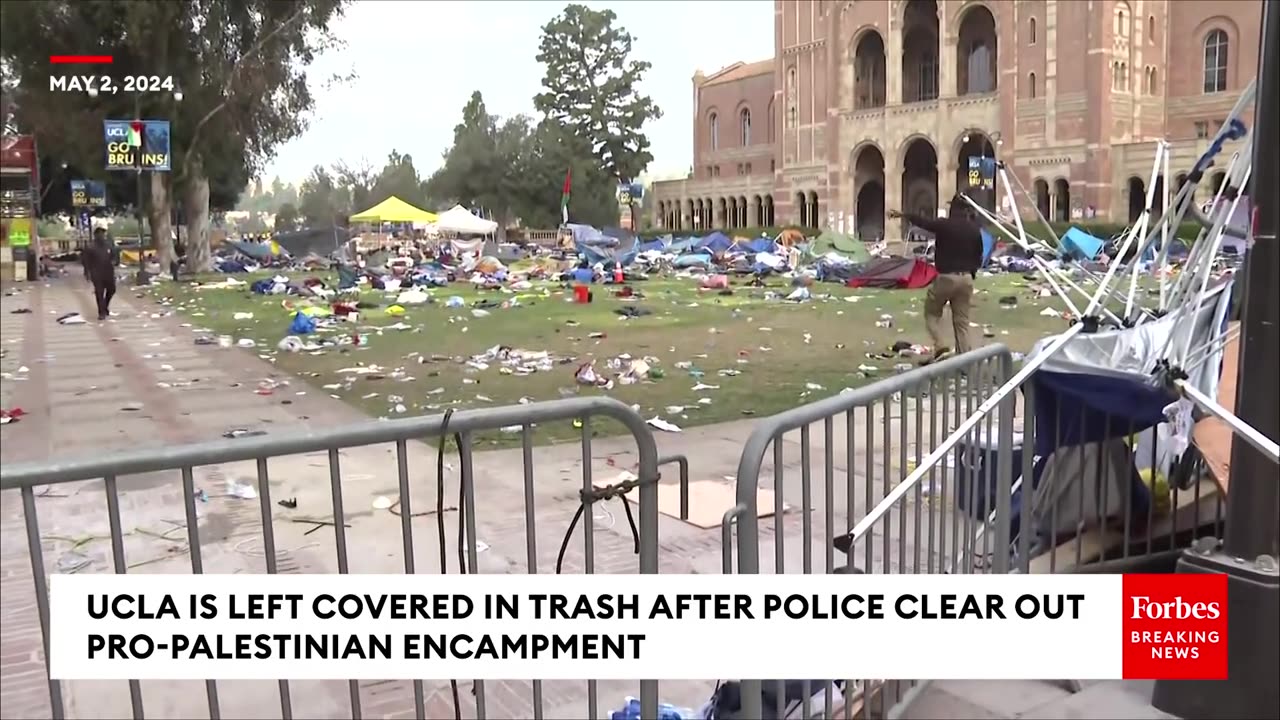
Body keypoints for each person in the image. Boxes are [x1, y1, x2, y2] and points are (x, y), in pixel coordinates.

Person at [889, 195, 984, 361]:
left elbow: (923, 222)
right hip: (966, 279)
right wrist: (972, 273)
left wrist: (903, 215)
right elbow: (979, 255)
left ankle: (940, 345)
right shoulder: (974, 229)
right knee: (961, 322)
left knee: (931, 314)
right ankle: (965, 361)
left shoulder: (944, 225)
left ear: (952, 209)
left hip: (946, 277)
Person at [83, 228, 119, 321]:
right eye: (100, 234)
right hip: (96, 273)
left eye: (103, 234)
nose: (102, 236)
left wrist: (115, 261)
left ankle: (105, 306)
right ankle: (101, 312)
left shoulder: (108, 245)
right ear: (96, 235)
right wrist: (87, 273)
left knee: (112, 290)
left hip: (108, 272)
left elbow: (115, 255)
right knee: (99, 292)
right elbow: (86, 261)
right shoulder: (91, 247)